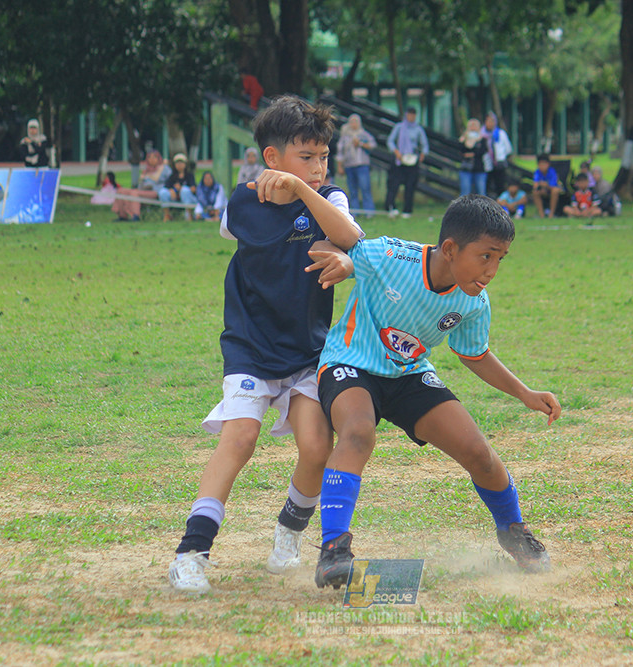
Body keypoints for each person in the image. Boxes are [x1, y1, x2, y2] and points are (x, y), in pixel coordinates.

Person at [167, 95, 364, 595]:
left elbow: (351, 237)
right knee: (240, 439)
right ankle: (191, 552)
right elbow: (233, 227)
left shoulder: (330, 199)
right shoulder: (241, 204)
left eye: (323, 156)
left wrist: (304, 190)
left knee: (317, 445)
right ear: (270, 159)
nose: (319, 167)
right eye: (306, 158)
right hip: (250, 345)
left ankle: (288, 534)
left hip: (308, 350)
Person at [312, 194, 560, 589]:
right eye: (486, 256)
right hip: (351, 363)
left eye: (501, 259)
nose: (493, 269)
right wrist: (340, 259)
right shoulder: (392, 257)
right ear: (449, 248)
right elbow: (330, 245)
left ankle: (514, 530)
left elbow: (474, 355)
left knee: (479, 452)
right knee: (358, 432)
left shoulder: (474, 299)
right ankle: (333, 551)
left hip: (409, 373)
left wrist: (524, 393)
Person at [385, 106, 429, 218]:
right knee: (394, 185)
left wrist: (422, 154)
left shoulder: (418, 129)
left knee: (410, 186)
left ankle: (407, 210)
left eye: (413, 115)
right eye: (409, 114)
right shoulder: (399, 127)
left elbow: (424, 144)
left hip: (412, 160)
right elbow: (390, 141)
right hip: (400, 160)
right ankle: (391, 207)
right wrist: (396, 152)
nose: (411, 117)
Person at [111, 150, 171, 221]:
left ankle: (135, 215)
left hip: (155, 191)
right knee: (121, 191)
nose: (152, 159)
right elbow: (140, 182)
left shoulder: (164, 169)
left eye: (154, 157)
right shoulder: (146, 170)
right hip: (142, 190)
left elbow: (169, 181)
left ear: (159, 158)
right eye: (149, 157)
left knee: (134, 193)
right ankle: (122, 215)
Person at [337, 114, 377, 213]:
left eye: (355, 122)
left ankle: (369, 212)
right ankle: (355, 212)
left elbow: (373, 145)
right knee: (352, 191)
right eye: (352, 122)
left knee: (365, 189)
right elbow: (340, 151)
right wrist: (340, 166)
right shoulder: (345, 136)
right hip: (349, 166)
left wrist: (360, 144)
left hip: (362, 165)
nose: (353, 124)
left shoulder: (364, 134)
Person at [158, 153, 198, 221]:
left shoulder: (189, 176)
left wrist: (181, 189)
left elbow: (194, 189)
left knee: (185, 191)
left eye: (181, 163)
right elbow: (166, 187)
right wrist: (172, 190)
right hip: (175, 198)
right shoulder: (172, 176)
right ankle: (167, 215)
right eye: (177, 163)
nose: (179, 165)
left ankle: (189, 215)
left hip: (188, 199)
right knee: (162, 192)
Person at [482, 112, 513, 198]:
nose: (490, 123)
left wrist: (500, 156)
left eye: (492, 121)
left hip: (499, 164)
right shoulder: (482, 134)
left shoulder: (500, 133)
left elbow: (508, 149)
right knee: (487, 186)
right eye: (488, 121)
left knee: (500, 185)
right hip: (486, 164)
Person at [457, 118, 488, 196]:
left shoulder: (482, 139)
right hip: (466, 168)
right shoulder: (463, 138)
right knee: (465, 192)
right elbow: (461, 150)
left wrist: (473, 154)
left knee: (481, 193)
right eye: (471, 125)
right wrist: (465, 140)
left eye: (475, 125)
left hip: (479, 168)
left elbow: (483, 151)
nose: (473, 127)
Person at [531, 154, 561, 218]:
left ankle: (551, 214)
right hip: (543, 191)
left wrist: (546, 185)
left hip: (551, 191)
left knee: (555, 191)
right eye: (540, 164)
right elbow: (535, 185)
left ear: (548, 164)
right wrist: (540, 186)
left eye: (544, 164)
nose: (542, 166)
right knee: (535, 192)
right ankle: (541, 214)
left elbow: (553, 186)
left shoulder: (552, 171)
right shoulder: (537, 172)